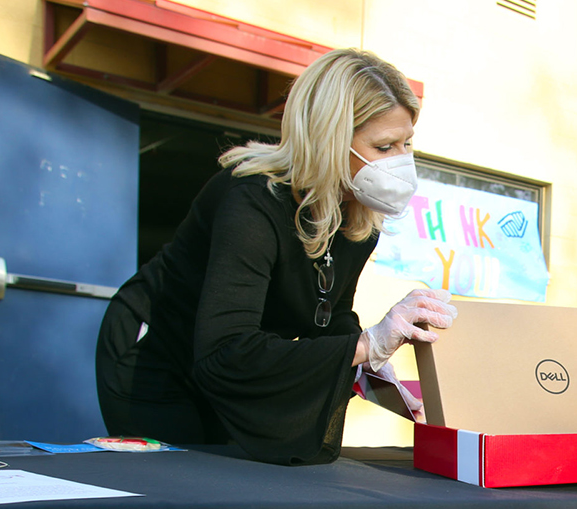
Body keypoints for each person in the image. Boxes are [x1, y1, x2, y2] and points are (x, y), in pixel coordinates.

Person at [94, 49, 456, 465]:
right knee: (181, 477)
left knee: (233, 474)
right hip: (157, 352)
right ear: (328, 139)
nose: (400, 161)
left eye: (406, 143)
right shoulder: (251, 200)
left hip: (231, 358)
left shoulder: (358, 219)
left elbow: (330, 314)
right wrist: (365, 344)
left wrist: (372, 368)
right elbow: (224, 350)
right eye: (383, 145)